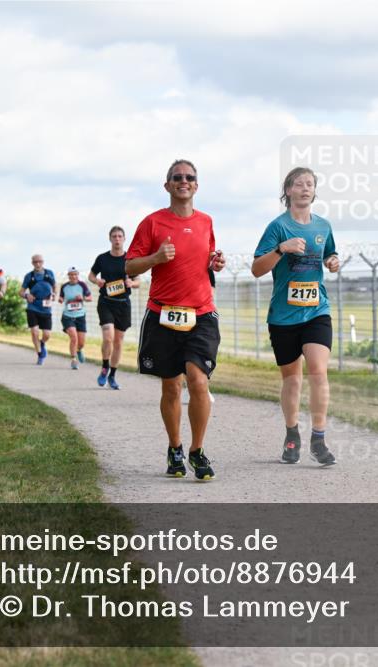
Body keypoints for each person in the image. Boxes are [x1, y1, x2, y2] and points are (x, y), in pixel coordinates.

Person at [125, 159, 225, 481]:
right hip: (163, 314)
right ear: (167, 185)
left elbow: (205, 259)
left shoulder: (206, 221)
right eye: (177, 177)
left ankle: (197, 451)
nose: (184, 181)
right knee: (171, 387)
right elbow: (129, 267)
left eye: (190, 177)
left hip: (201, 313)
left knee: (198, 380)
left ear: (197, 185)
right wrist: (155, 258)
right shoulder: (152, 223)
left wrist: (215, 261)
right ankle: (175, 447)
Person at [251, 166, 339, 466]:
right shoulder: (278, 227)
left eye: (310, 184)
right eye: (299, 184)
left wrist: (332, 260)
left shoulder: (323, 226)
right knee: (293, 381)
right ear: (288, 190)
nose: (305, 188)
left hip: (317, 311)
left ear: (315, 191)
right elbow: (257, 269)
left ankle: (318, 437)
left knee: (318, 371)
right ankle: (292, 434)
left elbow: (328, 253)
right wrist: (281, 249)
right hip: (284, 316)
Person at [89, 226, 140, 390]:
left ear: (124, 239)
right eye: (114, 236)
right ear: (110, 239)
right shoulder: (102, 258)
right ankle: (105, 367)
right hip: (106, 302)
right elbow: (91, 275)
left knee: (118, 341)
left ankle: (112, 375)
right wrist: (97, 281)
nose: (117, 239)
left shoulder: (130, 260)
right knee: (108, 337)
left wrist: (132, 283)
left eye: (120, 236)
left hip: (123, 304)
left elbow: (138, 280)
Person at [20, 254, 56, 366]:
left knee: (47, 335)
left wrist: (54, 294)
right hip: (33, 307)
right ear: (32, 263)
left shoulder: (49, 273)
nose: (38, 264)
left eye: (39, 261)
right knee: (34, 332)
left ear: (43, 262)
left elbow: (55, 286)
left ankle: (42, 343)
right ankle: (40, 354)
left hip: (46, 307)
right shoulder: (29, 276)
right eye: (35, 262)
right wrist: (27, 296)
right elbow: (21, 292)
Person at [58, 267, 93, 370]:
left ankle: (79, 350)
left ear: (78, 275)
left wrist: (83, 298)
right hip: (67, 316)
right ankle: (73, 359)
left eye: (75, 274)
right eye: (71, 274)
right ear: (68, 276)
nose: (73, 276)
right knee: (74, 337)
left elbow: (90, 298)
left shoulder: (82, 285)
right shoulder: (64, 286)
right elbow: (61, 297)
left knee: (81, 342)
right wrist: (60, 299)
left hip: (80, 316)